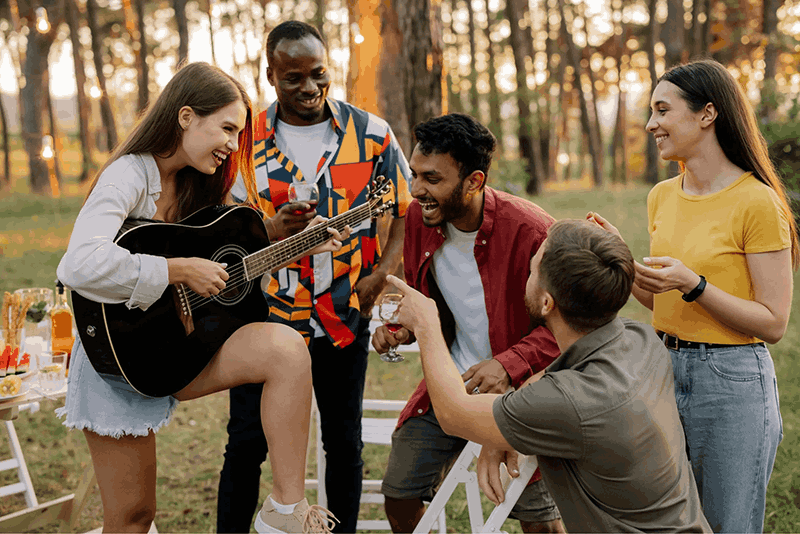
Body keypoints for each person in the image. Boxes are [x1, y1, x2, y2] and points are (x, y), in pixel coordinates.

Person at [56, 62, 345, 534]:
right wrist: (176, 270)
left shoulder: (199, 180)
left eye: (239, 133)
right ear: (186, 116)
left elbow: (220, 265)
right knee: (132, 517)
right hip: (116, 353)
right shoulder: (127, 175)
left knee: (286, 349)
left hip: (176, 344)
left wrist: (292, 244)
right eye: (227, 128)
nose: (234, 144)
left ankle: (286, 512)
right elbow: (78, 264)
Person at [385, 219, 712, 532]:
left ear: (546, 302)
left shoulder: (571, 402)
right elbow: (554, 385)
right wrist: (502, 427)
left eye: (532, 269)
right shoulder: (638, 338)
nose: (527, 273)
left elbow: (454, 413)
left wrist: (427, 323)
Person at [218, 21, 412, 534]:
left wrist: (382, 272)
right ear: (270, 77)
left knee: (342, 443)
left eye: (319, 74)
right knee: (245, 443)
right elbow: (222, 228)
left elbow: (406, 211)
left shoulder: (372, 135)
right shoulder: (244, 143)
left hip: (344, 314)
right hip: (266, 320)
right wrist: (270, 229)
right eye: (293, 77)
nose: (309, 88)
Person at [590, 58, 795, 533]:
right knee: (669, 523)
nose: (650, 124)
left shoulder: (757, 202)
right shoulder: (661, 195)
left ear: (707, 114)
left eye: (662, 110)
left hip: (732, 381)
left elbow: (773, 322)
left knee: (727, 525)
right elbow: (663, 304)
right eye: (651, 111)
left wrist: (694, 284)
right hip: (664, 369)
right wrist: (623, 259)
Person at [371, 113, 564, 533]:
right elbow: (437, 304)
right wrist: (405, 329)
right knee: (400, 494)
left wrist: (509, 364)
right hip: (449, 385)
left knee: (540, 522)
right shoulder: (421, 220)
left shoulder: (532, 231)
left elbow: (571, 329)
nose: (417, 189)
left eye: (432, 179)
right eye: (414, 175)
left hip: (524, 391)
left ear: (474, 181)